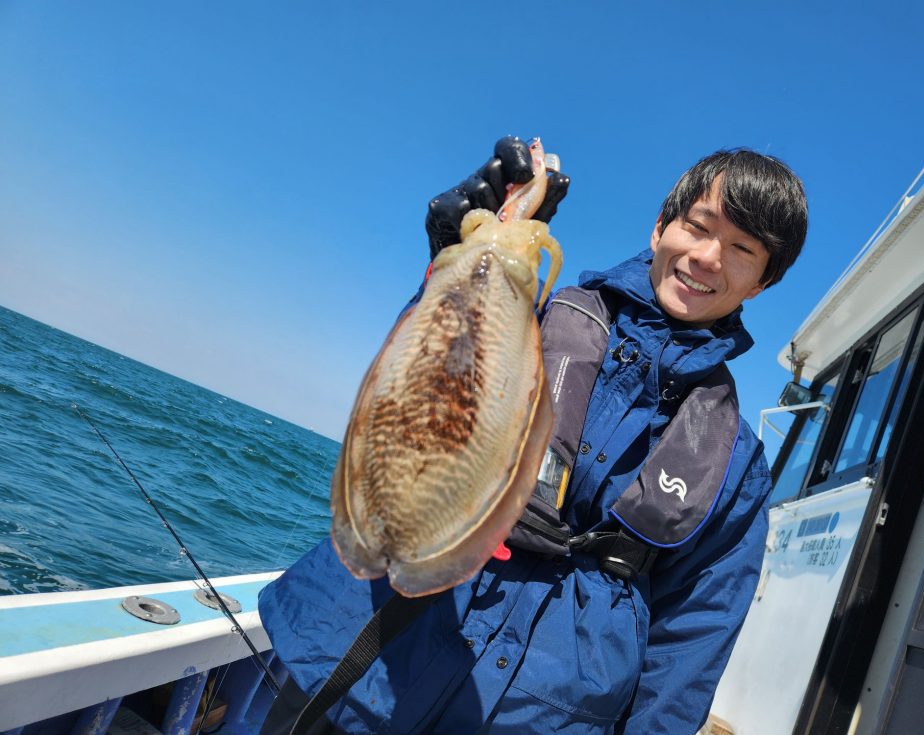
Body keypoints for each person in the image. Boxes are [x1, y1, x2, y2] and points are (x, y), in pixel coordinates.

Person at [258, 138, 808, 734]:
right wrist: (452, 266)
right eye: (698, 227)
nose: (706, 257)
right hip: (371, 661)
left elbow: (697, 630)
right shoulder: (539, 315)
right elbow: (416, 392)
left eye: (741, 249)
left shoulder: (736, 462)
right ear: (659, 230)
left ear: (762, 282)